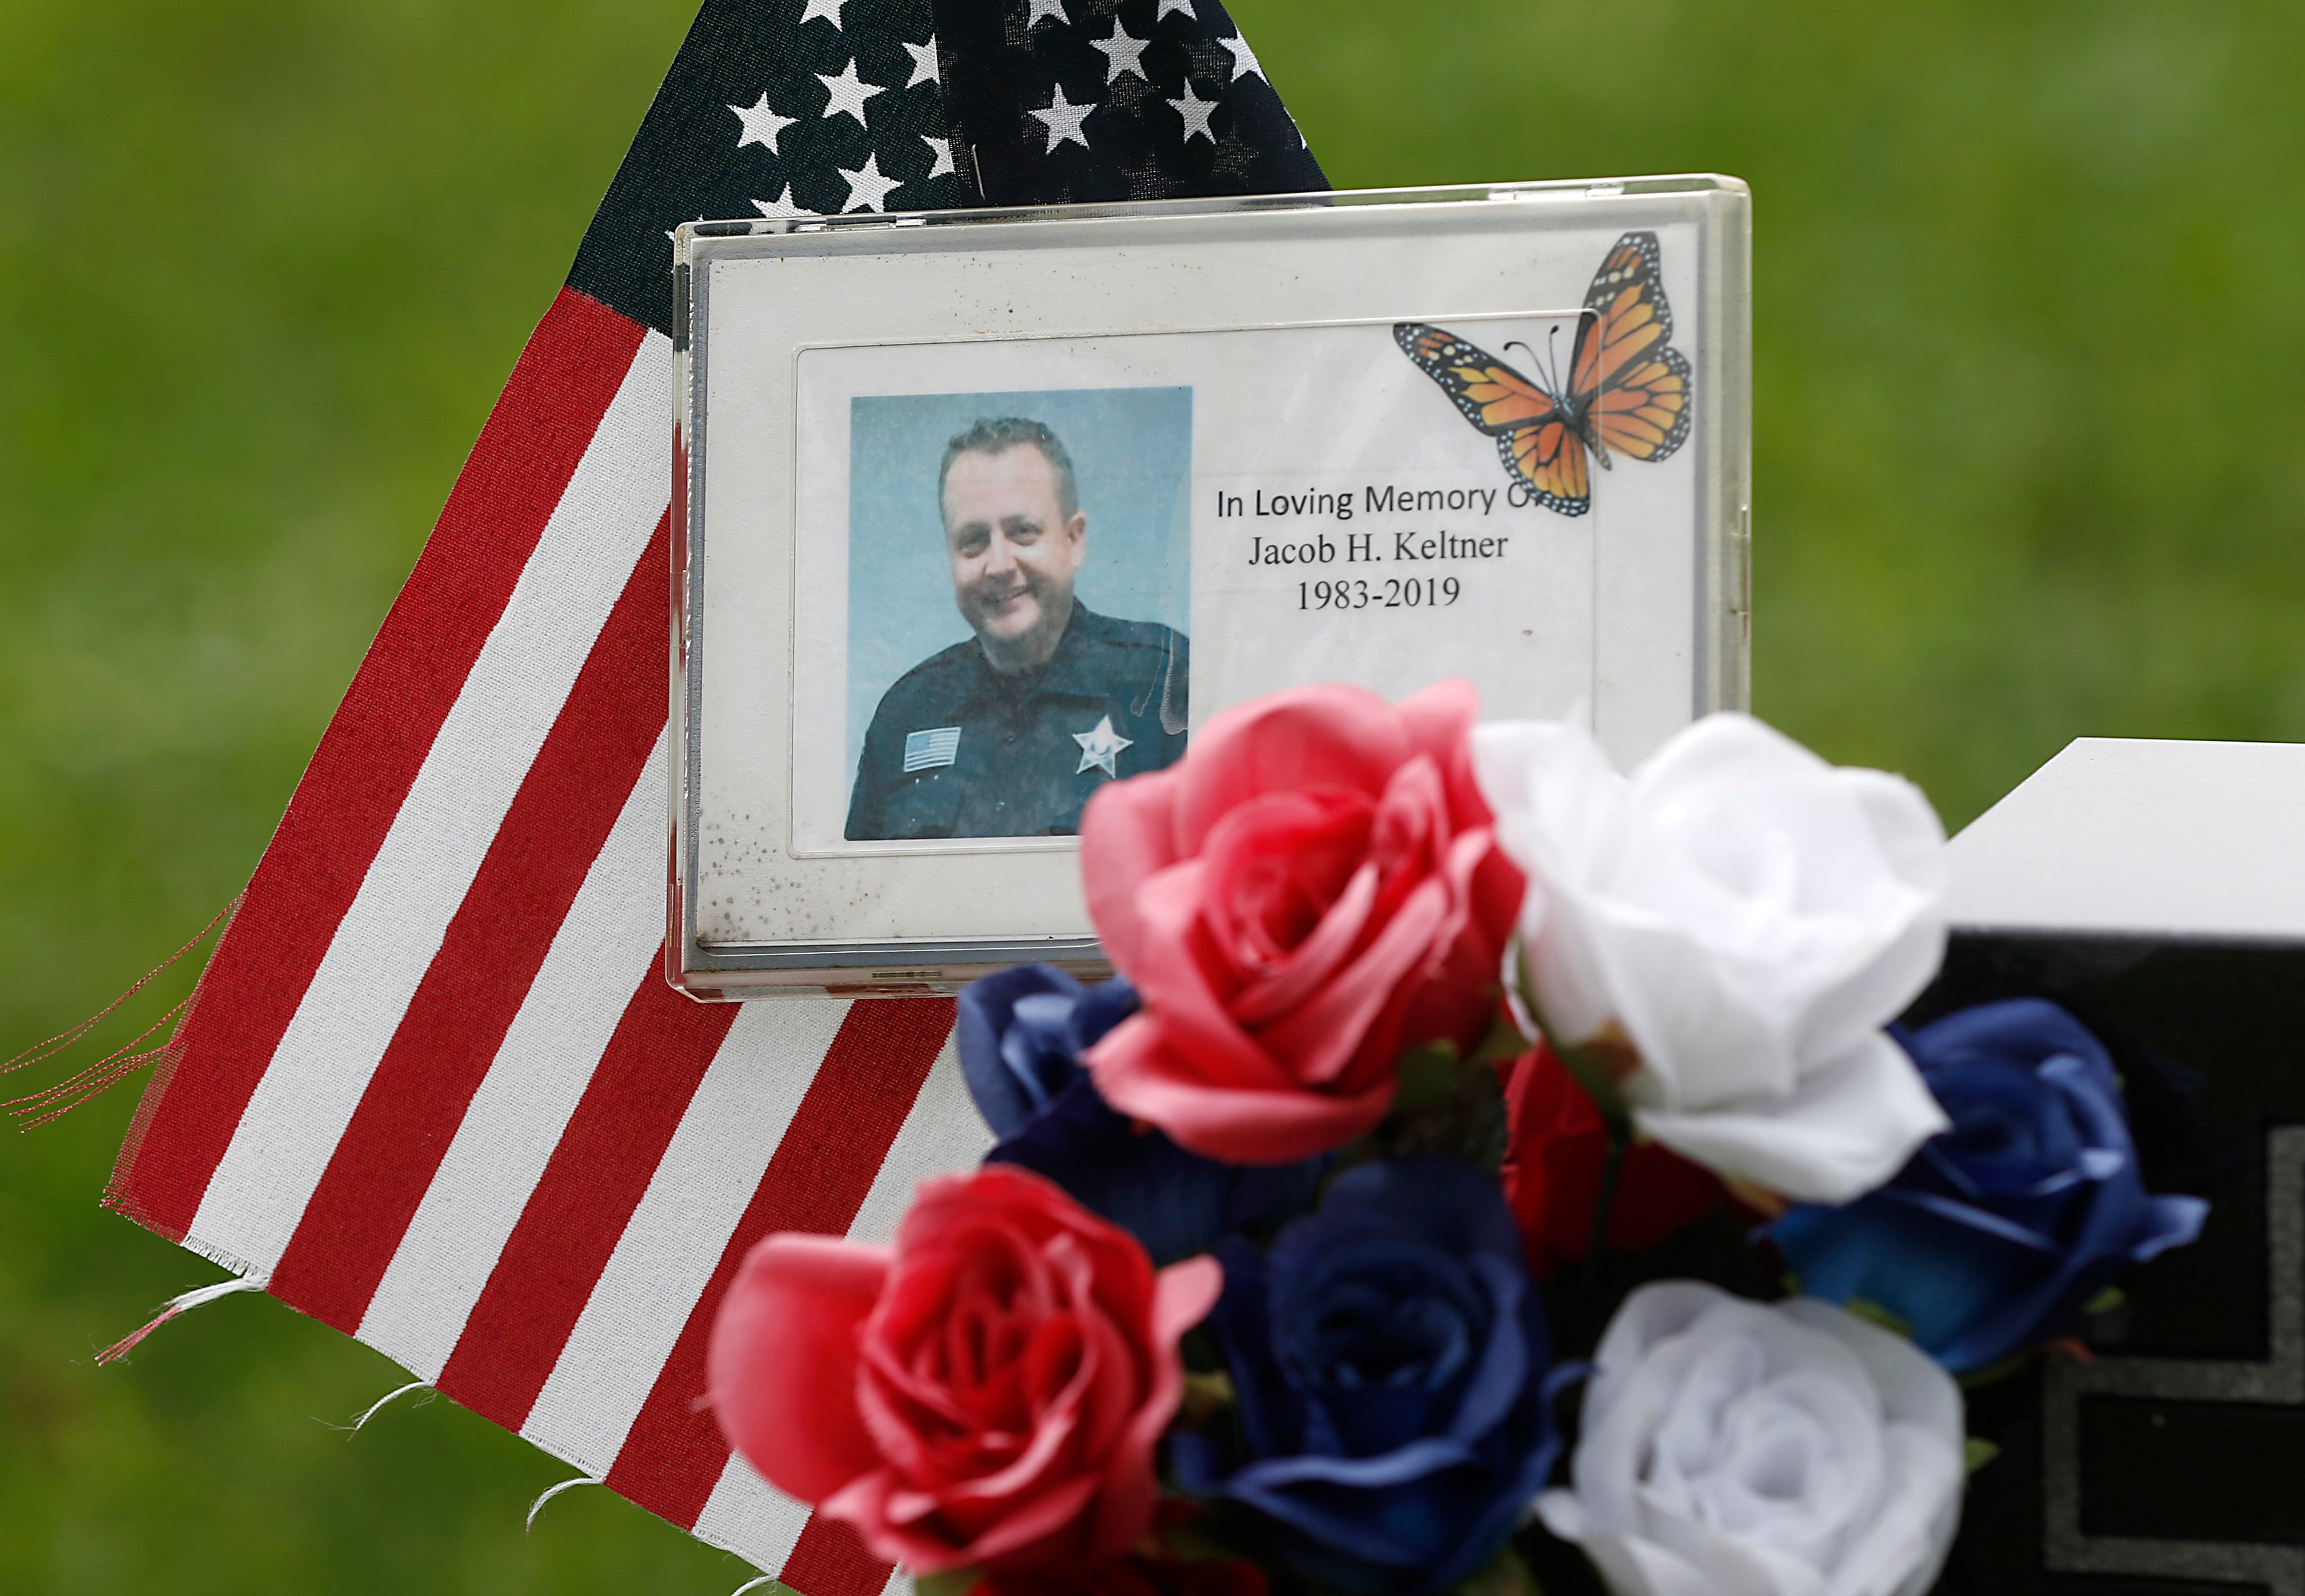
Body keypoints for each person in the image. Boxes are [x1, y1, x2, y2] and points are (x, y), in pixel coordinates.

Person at [846, 415, 1189, 841]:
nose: (1000, 564)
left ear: (1074, 539)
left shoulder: (1164, 682)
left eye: (1023, 532)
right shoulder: (906, 714)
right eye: (973, 540)